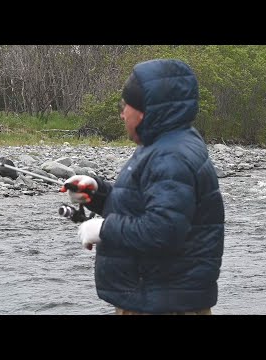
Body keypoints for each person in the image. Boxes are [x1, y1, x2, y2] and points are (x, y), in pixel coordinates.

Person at [64, 59, 225, 315]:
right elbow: (146, 205)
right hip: (155, 297)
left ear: (146, 110)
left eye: (126, 105)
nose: (122, 113)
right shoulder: (164, 145)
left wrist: (104, 229)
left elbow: (163, 231)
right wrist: (97, 195)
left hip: (164, 303)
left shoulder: (171, 157)